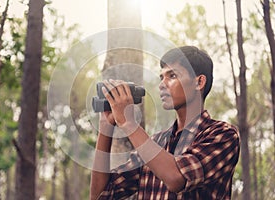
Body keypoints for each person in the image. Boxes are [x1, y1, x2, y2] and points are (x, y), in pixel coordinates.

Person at [90, 46, 240, 200]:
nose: (162, 84)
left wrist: (129, 124)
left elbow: (176, 178)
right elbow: (99, 195)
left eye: (172, 76)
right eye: (161, 77)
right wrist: (105, 128)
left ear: (199, 82)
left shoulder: (223, 135)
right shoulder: (156, 143)